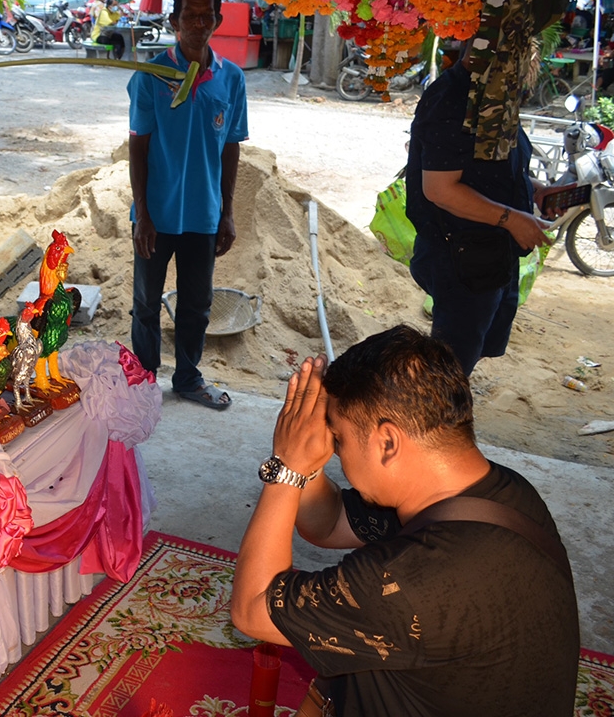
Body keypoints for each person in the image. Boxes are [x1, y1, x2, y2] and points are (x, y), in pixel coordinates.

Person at [231, 325, 580, 716]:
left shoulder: (405, 581)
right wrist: (306, 460)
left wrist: (286, 466)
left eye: (340, 441)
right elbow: (327, 524)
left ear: (388, 442)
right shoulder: (501, 492)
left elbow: (250, 610)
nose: (338, 456)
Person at [127, 0, 246, 410]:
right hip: (155, 215)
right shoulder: (151, 76)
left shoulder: (230, 78)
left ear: (217, 20)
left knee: (196, 305)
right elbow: (137, 146)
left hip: (203, 214)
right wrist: (142, 213)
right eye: (190, 16)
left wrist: (227, 212)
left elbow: (230, 147)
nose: (199, 23)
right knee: (145, 303)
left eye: (206, 16)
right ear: (174, 21)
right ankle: (143, 381)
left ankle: (187, 379)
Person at [404, 53, 553, 376]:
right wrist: (513, 218)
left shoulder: (494, 92)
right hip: (460, 253)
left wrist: (535, 190)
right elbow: (441, 189)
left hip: (489, 250)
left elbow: (490, 171)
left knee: (464, 356)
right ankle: (430, 424)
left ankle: (439, 418)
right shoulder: (454, 98)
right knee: (449, 367)